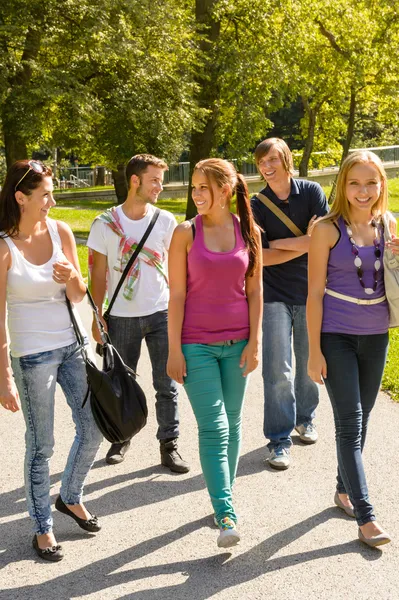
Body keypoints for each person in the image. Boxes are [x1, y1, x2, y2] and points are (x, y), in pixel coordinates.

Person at [0, 160, 103, 562]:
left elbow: (79, 294)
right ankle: (42, 527)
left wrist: (71, 279)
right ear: (21, 198)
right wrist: (3, 374)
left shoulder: (61, 232)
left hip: (72, 345)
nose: (52, 201)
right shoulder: (4, 248)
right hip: (31, 357)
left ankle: (71, 497)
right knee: (42, 444)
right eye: (45, 194)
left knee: (93, 427)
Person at [167, 158, 262, 548]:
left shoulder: (249, 231)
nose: (196, 195)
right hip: (196, 345)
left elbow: (255, 291)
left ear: (225, 189)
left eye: (203, 188)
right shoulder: (185, 233)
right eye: (193, 188)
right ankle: (225, 512)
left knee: (235, 423)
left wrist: (255, 342)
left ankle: (224, 495)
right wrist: (174, 350)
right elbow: (175, 295)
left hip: (238, 343)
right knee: (215, 427)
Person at [307, 151, 398, 547]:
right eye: (355, 183)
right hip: (336, 335)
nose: (363, 191)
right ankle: (366, 515)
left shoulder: (389, 225)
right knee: (350, 422)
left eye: (371, 183)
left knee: (365, 417)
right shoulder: (327, 230)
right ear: (343, 185)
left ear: (381, 186)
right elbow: (312, 295)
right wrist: (313, 351)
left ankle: (343, 490)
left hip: (377, 333)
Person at [88, 154, 189, 472]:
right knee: (120, 384)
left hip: (161, 314)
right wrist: (96, 316)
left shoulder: (165, 221)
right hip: (121, 317)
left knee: (167, 384)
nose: (161, 186)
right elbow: (98, 276)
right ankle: (121, 438)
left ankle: (169, 445)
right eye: (155, 180)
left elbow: (176, 273)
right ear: (136, 181)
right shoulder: (105, 224)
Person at [250, 138, 329, 470]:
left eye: (272, 160)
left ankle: (305, 418)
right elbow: (260, 257)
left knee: (310, 363)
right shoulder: (256, 204)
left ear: (286, 159)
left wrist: (282, 242)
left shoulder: (311, 192)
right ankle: (278, 439)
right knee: (277, 369)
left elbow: (324, 241)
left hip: (311, 290)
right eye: (261, 163)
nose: (267, 168)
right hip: (274, 294)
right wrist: (304, 243)